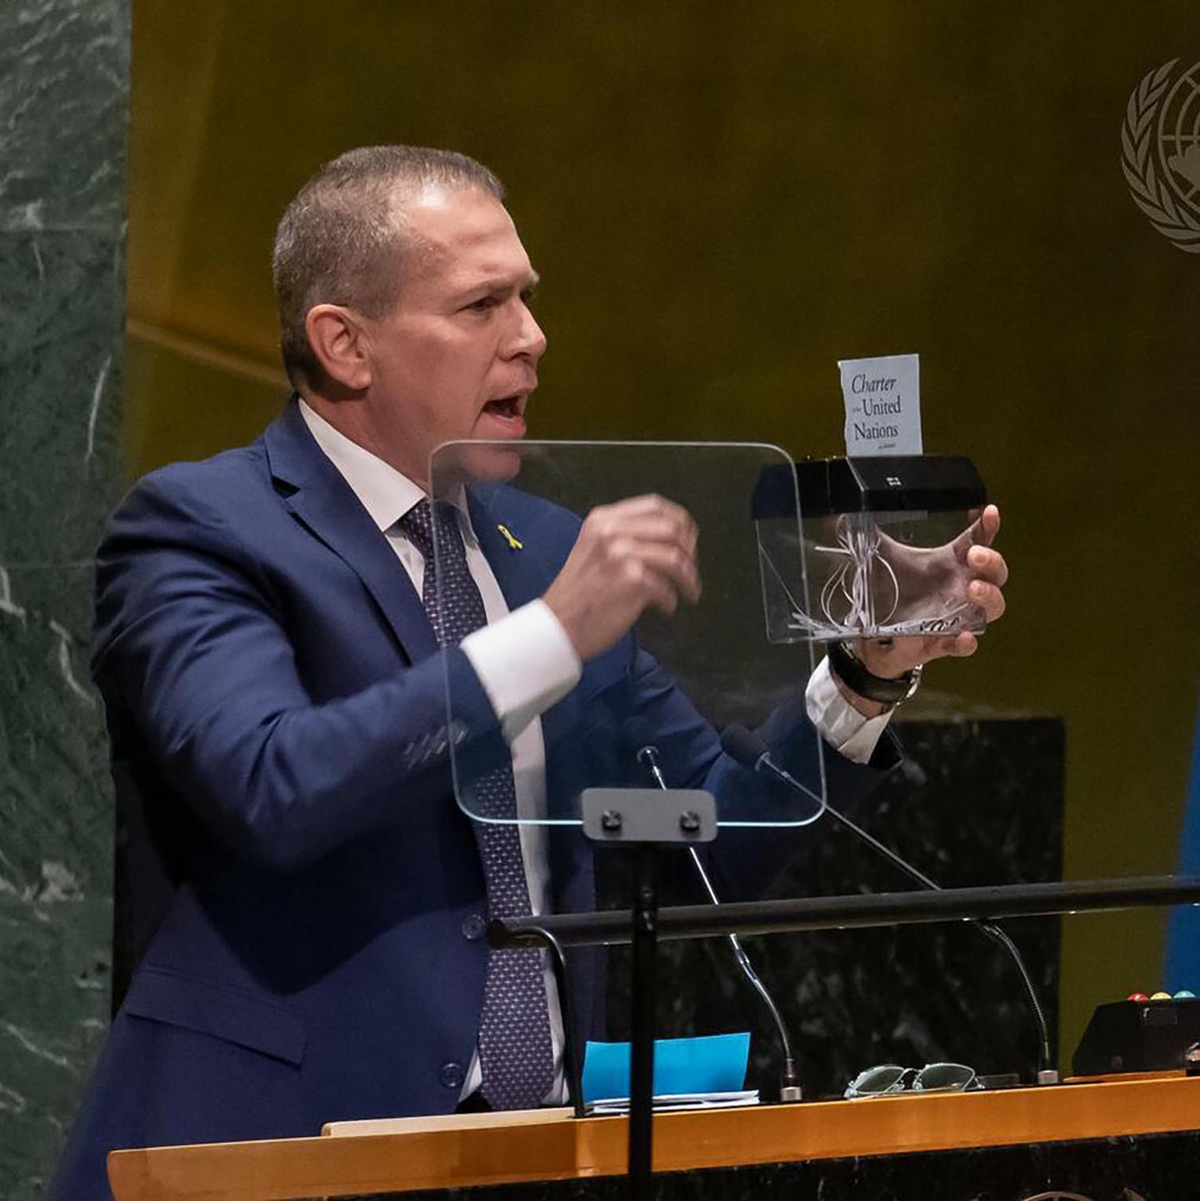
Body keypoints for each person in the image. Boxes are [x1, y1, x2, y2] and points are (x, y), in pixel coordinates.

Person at [48, 146, 1008, 1198]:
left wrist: (866, 672)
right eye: (483, 305)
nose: (534, 339)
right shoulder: (200, 529)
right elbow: (275, 785)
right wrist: (548, 637)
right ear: (345, 344)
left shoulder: (548, 551)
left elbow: (711, 843)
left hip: (529, 1164)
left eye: (530, 299)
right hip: (264, 1157)